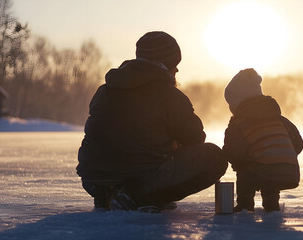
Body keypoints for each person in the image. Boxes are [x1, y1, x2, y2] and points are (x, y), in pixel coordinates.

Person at [77, 31, 227, 212]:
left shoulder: (104, 90)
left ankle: (109, 195)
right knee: (215, 157)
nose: (177, 70)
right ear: (166, 64)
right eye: (175, 64)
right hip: (140, 175)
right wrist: (174, 144)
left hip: (94, 179)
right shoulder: (169, 95)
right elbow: (195, 137)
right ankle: (138, 196)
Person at [222, 68, 303, 212]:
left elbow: (235, 152)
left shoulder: (239, 124)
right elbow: (298, 142)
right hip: (290, 171)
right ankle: (271, 204)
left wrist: (233, 159)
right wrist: (281, 155)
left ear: (238, 102)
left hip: (263, 171)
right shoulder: (279, 119)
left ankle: (245, 204)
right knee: (267, 164)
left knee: (245, 168)